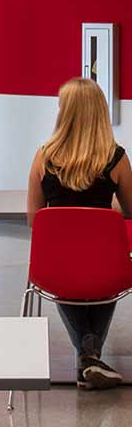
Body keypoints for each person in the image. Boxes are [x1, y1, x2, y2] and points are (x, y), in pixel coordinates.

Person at [24, 76, 130, 389]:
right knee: (108, 270)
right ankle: (90, 355)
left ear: (64, 112)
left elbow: (35, 219)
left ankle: (87, 356)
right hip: (107, 267)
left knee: (66, 271)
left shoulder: (44, 156)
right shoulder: (116, 158)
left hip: (55, 267)